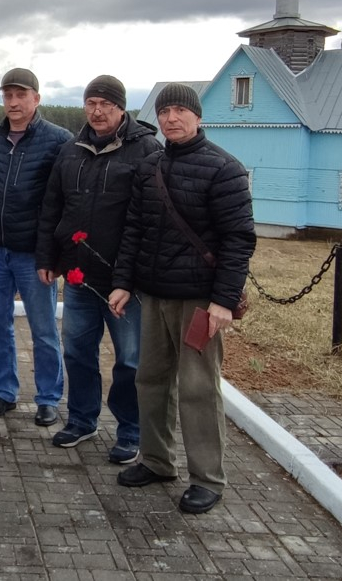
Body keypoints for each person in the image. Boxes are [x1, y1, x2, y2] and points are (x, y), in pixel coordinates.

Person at [107, 82, 255, 515]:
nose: (171, 118)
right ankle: (156, 460)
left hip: (199, 302)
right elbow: (134, 230)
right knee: (149, 379)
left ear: (197, 116)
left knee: (197, 388)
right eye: (164, 111)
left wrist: (223, 301)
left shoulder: (224, 169)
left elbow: (238, 240)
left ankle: (207, 478)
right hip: (153, 295)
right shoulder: (150, 166)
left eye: (179, 110)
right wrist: (123, 282)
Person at [35, 75, 162, 464]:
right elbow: (53, 206)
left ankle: (131, 431)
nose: (98, 110)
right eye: (91, 102)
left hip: (125, 282)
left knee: (130, 359)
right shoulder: (72, 150)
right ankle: (82, 419)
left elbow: (148, 221)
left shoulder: (146, 151)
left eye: (106, 103)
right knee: (77, 351)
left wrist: (127, 277)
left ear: (122, 107)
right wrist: (47, 257)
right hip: (78, 275)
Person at [0, 67, 73, 425]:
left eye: (20, 95)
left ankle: (48, 397)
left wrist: (53, 254)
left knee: (43, 329)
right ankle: (4, 392)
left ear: (36, 99)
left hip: (35, 255)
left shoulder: (58, 140)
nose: (13, 102)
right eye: (7, 95)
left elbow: (62, 202)